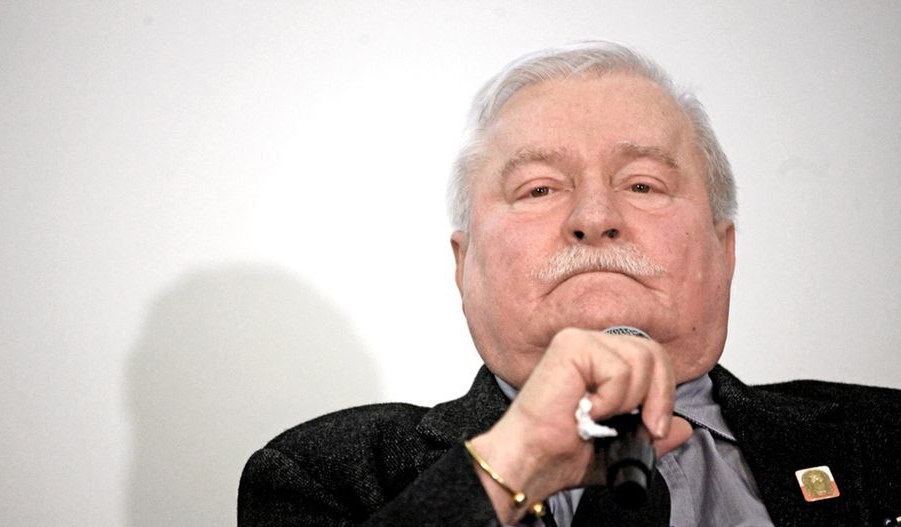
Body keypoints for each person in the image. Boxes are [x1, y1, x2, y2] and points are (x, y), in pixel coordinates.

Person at [238, 41, 901, 526]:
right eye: (540, 189)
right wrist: (513, 463)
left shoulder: (888, 439)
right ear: (464, 266)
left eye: (642, 184)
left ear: (723, 251)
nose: (594, 216)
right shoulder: (327, 474)